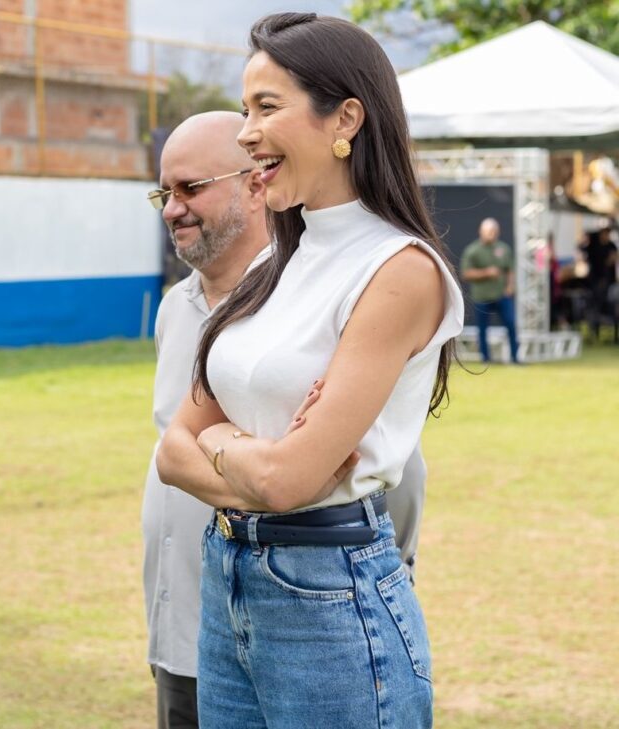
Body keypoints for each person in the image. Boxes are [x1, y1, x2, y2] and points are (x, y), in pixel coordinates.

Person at [156, 13, 463, 728]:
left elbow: (288, 482)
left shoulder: (399, 269)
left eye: (266, 107)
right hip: (228, 575)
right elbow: (173, 452)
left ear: (345, 119)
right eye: (244, 110)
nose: (246, 133)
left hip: (330, 592)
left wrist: (222, 441)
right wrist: (247, 455)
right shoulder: (274, 261)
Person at [461, 218, 520, 363]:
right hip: (482, 296)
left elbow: (510, 270)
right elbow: (466, 274)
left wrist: (510, 286)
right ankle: (485, 358)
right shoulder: (473, 251)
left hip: (502, 295)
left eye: (494, 231)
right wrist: (486, 272)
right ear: (481, 232)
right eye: (488, 231)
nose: (491, 234)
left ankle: (515, 357)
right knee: (482, 329)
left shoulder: (503, 249)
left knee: (511, 324)